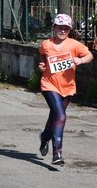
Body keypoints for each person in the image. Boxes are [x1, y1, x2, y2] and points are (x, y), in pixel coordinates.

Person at [38, 13, 93, 165]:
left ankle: (44, 138)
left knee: (54, 117)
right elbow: (42, 55)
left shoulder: (74, 45)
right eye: (59, 28)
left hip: (67, 87)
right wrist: (42, 65)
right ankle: (57, 153)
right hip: (49, 84)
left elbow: (90, 55)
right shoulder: (46, 44)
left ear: (69, 30)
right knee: (60, 115)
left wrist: (80, 60)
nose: (62, 31)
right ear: (53, 28)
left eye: (66, 29)